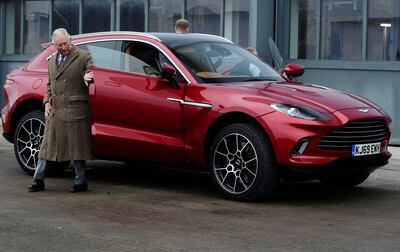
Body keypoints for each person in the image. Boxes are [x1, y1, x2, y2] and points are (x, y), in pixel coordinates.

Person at [28, 28, 94, 193]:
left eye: (65, 43)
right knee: (46, 148)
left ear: (70, 41)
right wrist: (46, 102)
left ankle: (81, 182)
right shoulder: (51, 61)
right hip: (56, 110)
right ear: (54, 45)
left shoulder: (83, 56)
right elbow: (50, 85)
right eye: (59, 45)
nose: (63, 47)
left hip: (74, 109)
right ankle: (38, 180)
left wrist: (86, 76)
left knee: (76, 148)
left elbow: (90, 70)